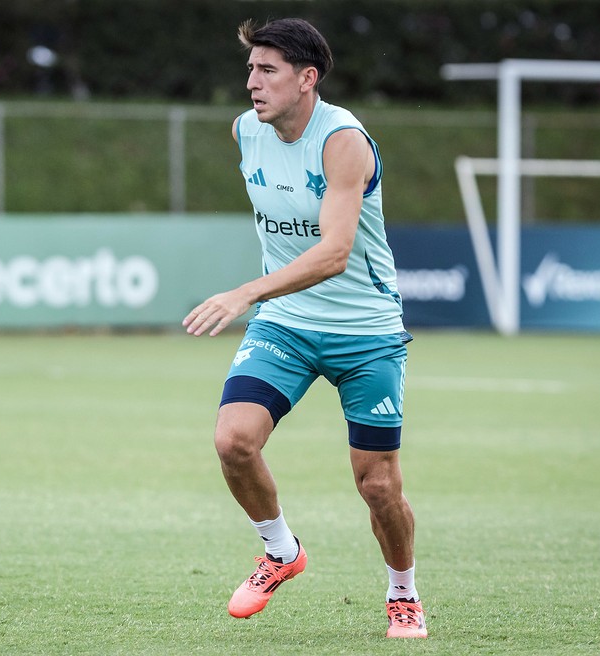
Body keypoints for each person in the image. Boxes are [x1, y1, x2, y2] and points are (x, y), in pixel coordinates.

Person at [182, 17, 426, 639]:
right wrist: (264, 298)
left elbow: (335, 252)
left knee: (377, 485)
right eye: (250, 69)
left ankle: (403, 591)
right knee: (233, 440)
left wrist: (246, 290)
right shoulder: (245, 131)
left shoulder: (343, 141)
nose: (252, 83)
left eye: (268, 70)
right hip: (288, 324)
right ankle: (281, 551)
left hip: (365, 330)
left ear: (307, 79)